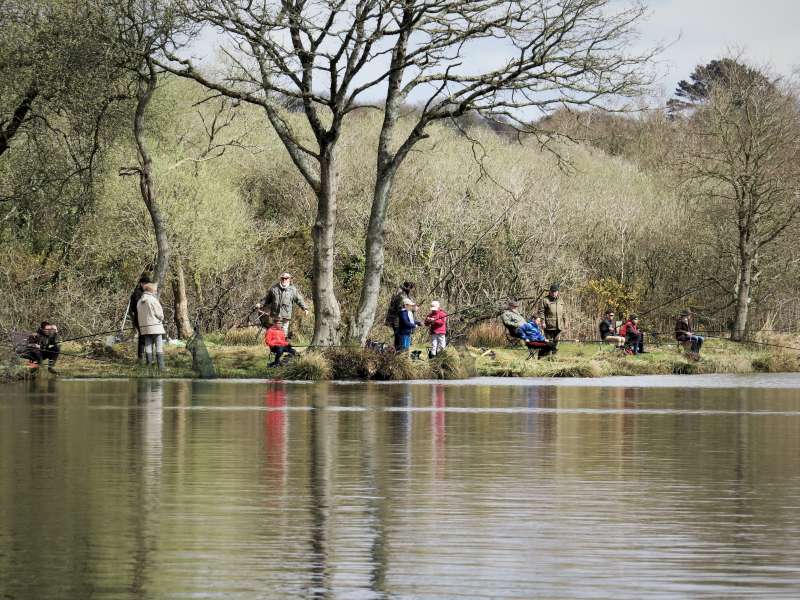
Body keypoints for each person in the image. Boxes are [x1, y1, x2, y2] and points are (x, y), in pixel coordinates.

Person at [137, 282, 166, 370]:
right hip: (155, 326)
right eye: (155, 290)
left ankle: (149, 366)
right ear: (152, 290)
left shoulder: (139, 301)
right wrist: (161, 318)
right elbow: (160, 314)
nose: (156, 291)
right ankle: (161, 367)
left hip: (144, 327)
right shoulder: (153, 300)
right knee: (159, 345)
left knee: (148, 345)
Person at [385, 282, 415, 350]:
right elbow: (401, 309)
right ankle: (399, 353)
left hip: (400, 321)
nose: (412, 291)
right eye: (412, 289)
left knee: (399, 339)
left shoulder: (405, 295)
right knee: (399, 339)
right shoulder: (401, 295)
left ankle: (399, 352)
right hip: (398, 321)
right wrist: (413, 309)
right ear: (408, 288)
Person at [130, 273, 152, 364]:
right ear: (141, 284)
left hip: (146, 318)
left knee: (147, 337)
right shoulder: (137, 293)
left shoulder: (147, 293)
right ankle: (141, 357)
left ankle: (147, 357)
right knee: (142, 337)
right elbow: (134, 308)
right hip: (139, 318)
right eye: (146, 284)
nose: (147, 285)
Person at [537, 283, 566, 352]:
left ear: (557, 292)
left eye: (555, 291)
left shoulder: (561, 300)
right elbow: (541, 312)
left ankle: (553, 355)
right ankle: (544, 355)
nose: (553, 293)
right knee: (548, 342)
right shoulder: (545, 300)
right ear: (549, 291)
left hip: (559, 326)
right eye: (552, 291)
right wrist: (543, 322)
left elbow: (564, 312)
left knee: (556, 342)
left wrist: (565, 322)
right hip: (548, 326)